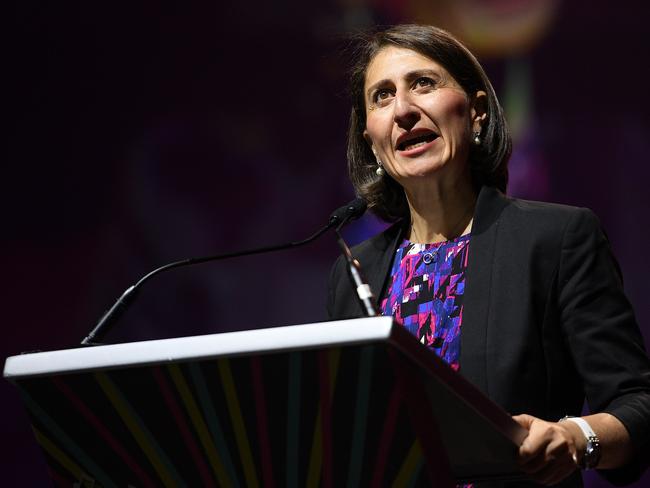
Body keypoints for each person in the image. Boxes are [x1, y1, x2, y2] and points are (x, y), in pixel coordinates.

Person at [326, 24, 650, 487]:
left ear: (476, 112)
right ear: (370, 138)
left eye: (423, 83)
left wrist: (576, 438)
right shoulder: (353, 270)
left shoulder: (555, 237)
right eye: (382, 95)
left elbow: (637, 402)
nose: (402, 110)